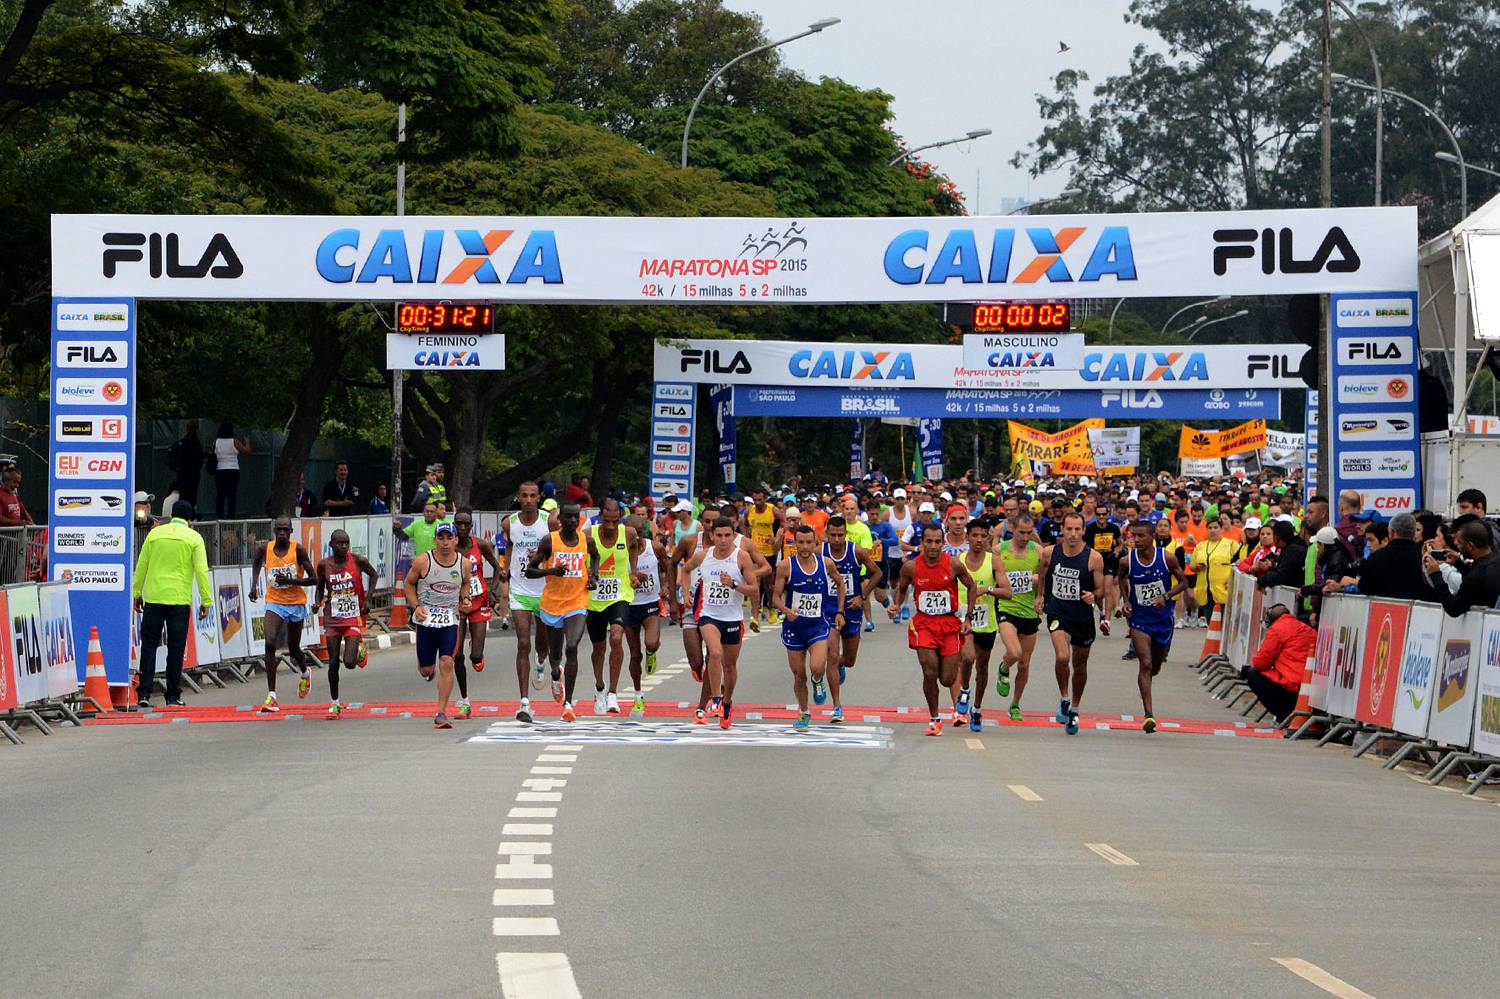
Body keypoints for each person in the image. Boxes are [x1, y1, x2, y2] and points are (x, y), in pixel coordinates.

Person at [887, 522, 978, 737]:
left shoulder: (954, 564)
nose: (933, 546)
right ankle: (935, 718)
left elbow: (972, 586)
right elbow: (901, 588)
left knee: (946, 678)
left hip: (949, 625)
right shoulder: (911, 567)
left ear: (943, 543)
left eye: (938, 542)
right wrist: (896, 605)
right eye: (929, 541)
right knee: (929, 671)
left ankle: (961, 690)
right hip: (924, 624)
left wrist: (968, 617)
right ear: (922, 543)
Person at [678, 517, 758, 729]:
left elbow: (754, 588)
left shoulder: (741, 557)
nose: (723, 540)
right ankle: (715, 700)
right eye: (719, 535)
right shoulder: (704, 556)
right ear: (712, 536)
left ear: (734, 536)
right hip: (709, 615)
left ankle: (727, 702)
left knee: (729, 666)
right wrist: (686, 593)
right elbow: (685, 570)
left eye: (727, 535)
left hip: (732, 617)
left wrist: (733, 584)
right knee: (714, 653)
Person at [131, 500, 212, 709]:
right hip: (178, 600)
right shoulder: (194, 538)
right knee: (175, 649)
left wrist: (136, 593)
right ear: (189, 519)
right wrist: (206, 600)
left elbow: (141, 565)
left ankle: (145, 693)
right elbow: (202, 571)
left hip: (154, 598)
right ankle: (173, 695)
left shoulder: (154, 534)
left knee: (149, 646)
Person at [525, 503, 598, 722]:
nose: (573, 521)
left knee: (573, 646)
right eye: (569, 517)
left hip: (578, 601)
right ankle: (556, 673)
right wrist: (551, 571)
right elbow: (529, 570)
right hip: (552, 604)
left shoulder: (586, 540)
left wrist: (593, 576)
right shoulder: (550, 541)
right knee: (555, 656)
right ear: (561, 520)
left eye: (576, 517)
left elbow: (595, 556)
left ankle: (568, 704)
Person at [1038, 512, 1105, 735]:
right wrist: (1040, 596)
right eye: (1069, 529)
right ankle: (1064, 698)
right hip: (1058, 612)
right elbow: (1043, 570)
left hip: (1082, 617)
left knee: (1079, 665)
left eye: (1078, 529)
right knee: (1062, 656)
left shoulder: (1093, 558)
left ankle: (1075, 708)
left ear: (1084, 531)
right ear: (1063, 530)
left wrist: (1093, 597)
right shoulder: (1050, 552)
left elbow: (1100, 589)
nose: (1073, 534)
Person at [774, 523, 844, 730]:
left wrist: (840, 611)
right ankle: (804, 711)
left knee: (817, 667)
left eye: (809, 542)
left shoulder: (826, 564)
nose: (805, 546)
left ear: (816, 543)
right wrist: (786, 611)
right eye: (800, 542)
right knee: (798, 675)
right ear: (794, 543)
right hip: (794, 628)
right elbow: (776, 597)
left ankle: (817, 679)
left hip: (817, 626)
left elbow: (840, 584)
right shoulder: (786, 566)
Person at [1119, 521, 1187, 733]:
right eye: (1134, 536)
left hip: (1162, 620)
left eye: (1141, 536)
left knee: (1155, 666)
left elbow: (1184, 582)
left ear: (1152, 537)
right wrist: (1126, 600)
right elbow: (1120, 578)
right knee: (1145, 663)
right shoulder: (1127, 561)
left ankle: (1145, 684)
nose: (1136, 540)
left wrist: (1166, 596)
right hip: (1139, 619)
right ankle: (1149, 715)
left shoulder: (1166, 558)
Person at [404, 521, 472, 729]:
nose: (445, 543)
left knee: (447, 662)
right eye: (440, 538)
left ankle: (441, 712)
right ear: (434, 540)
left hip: (449, 621)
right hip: (426, 620)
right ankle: (426, 669)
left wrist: (465, 598)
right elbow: (408, 584)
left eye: (448, 538)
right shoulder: (423, 561)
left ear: (455, 540)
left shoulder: (464, 564)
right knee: (427, 669)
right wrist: (416, 606)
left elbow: (467, 582)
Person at [248, 516, 318, 713]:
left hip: (296, 603)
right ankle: (272, 696)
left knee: (294, 648)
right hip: (275, 602)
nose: (282, 533)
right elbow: (256, 564)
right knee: (270, 642)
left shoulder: (298, 550)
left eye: (285, 530)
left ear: (291, 531)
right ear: (274, 530)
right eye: (279, 530)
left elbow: (314, 579)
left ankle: (305, 673)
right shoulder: (265, 549)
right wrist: (254, 586)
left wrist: (292, 580)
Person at [821, 515, 882, 723]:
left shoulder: (856, 551)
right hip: (828, 609)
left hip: (852, 608)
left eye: (840, 535)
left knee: (849, 660)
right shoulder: (819, 552)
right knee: (831, 653)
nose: (836, 540)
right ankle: (837, 706)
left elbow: (877, 573)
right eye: (832, 535)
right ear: (826, 534)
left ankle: (840, 665)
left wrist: (862, 595)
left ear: (845, 534)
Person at [313, 529, 378, 718]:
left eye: (346, 543)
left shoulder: (357, 560)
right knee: (333, 662)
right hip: (332, 617)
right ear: (331, 545)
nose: (343, 547)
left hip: (352, 616)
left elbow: (373, 575)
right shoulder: (323, 565)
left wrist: (368, 599)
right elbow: (319, 589)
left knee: (349, 663)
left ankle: (359, 649)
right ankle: (334, 704)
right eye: (339, 543)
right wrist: (317, 603)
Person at [502, 483, 556, 710]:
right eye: (524, 495)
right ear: (519, 497)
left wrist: (543, 554)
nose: (528, 500)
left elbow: (560, 547)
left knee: (542, 644)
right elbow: (509, 546)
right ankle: (524, 702)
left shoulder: (549, 521)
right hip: (520, 589)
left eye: (533, 496)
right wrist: (505, 568)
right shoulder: (509, 523)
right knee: (523, 643)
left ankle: (541, 661)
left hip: (544, 589)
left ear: (539, 497)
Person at [954, 518, 1012, 732]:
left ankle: (977, 709)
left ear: (988, 537)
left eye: (982, 536)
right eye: (974, 536)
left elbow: (1008, 593)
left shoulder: (994, 560)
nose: (978, 540)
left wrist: (987, 590)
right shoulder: (958, 561)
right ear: (967, 537)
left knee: (983, 667)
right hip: (963, 619)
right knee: (968, 657)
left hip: (987, 621)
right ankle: (965, 689)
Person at [585, 498, 640, 717]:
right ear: (600, 516)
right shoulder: (589, 534)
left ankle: (613, 693)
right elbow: (581, 558)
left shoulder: (628, 533)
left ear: (620, 518)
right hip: (594, 599)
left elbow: (634, 548)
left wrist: (633, 573)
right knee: (598, 648)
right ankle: (599, 686)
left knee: (616, 638)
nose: (609, 526)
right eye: (606, 521)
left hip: (620, 595)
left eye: (614, 521)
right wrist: (587, 574)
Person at [454, 508, 503, 721]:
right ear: (454, 525)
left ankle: (476, 647)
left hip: (478, 601)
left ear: (472, 526)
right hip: (455, 605)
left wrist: (493, 591)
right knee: (456, 655)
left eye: (466, 524)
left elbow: (498, 568)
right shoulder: (447, 547)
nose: (462, 528)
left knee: (475, 658)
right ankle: (465, 702)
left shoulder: (480, 545)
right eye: (459, 524)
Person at [995, 511, 1042, 722]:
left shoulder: (1038, 551)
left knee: (1024, 663)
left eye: (1029, 533)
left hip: (1029, 611)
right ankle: (1004, 667)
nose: (1025, 537)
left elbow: (1048, 574)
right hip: (1007, 608)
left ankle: (1015, 704)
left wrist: (1038, 581)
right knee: (1014, 652)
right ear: (1012, 529)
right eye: (1021, 532)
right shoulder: (1000, 550)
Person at [623, 515, 668, 717]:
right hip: (629, 606)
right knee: (634, 654)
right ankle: (638, 695)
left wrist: (666, 586)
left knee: (650, 643)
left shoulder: (654, 547)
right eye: (632, 534)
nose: (636, 537)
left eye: (639, 533)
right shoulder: (620, 552)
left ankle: (652, 653)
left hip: (650, 604)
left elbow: (668, 566)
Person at [1243, 603, 1314, 720]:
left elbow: (1260, 662)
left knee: (1252, 675)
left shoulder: (1277, 629)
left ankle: (1284, 715)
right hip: (1311, 687)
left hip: (1292, 686)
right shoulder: (1308, 629)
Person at [1428, 519, 1500, 615]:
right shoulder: (1495, 559)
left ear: (1470, 546)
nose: (1455, 544)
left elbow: (1453, 608)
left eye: (1460, 542)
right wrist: (1459, 564)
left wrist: (1436, 575)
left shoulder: (1477, 575)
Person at [745, 487, 781, 624]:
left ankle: (770, 607)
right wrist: (747, 538)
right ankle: (756, 613)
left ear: (765, 499)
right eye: (755, 500)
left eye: (760, 500)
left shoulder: (772, 510)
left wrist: (776, 538)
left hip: (769, 552)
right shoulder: (750, 510)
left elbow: (784, 523)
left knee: (769, 584)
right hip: (755, 551)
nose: (758, 502)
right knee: (755, 580)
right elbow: (744, 524)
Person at [1189, 516, 1240, 612]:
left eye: (1216, 528)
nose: (1213, 530)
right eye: (1210, 528)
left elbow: (1239, 566)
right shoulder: (1200, 546)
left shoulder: (1231, 544)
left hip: (1224, 589)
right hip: (1205, 591)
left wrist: (1232, 580)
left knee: (1223, 622)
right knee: (1210, 622)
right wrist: (1197, 567)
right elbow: (1192, 566)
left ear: (1221, 529)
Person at [211, 421, 250, 519]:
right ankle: (231, 516)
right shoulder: (234, 441)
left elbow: (213, 453)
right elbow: (247, 451)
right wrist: (247, 442)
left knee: (220, 494)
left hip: (220, 469)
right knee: (232, 495)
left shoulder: (216, 442)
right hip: (233, 470)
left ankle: (219, 515)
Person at [166, 421, 204, 511]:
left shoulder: (182, 442)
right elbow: (199, 458)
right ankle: (190, 512)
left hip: (182, 473)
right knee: (192, 495)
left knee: (183, 494)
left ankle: (182, 511)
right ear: (197, 429)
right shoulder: (195, 443)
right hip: (193, 474)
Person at [0, 462, 31, 526]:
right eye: (14, 482)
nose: (17, 486)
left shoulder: (15, 495)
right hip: (4, 535)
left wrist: (32, 524)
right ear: (5, 481)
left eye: (18, 483)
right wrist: (18, 523)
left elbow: (24, 513)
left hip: (17, 535)